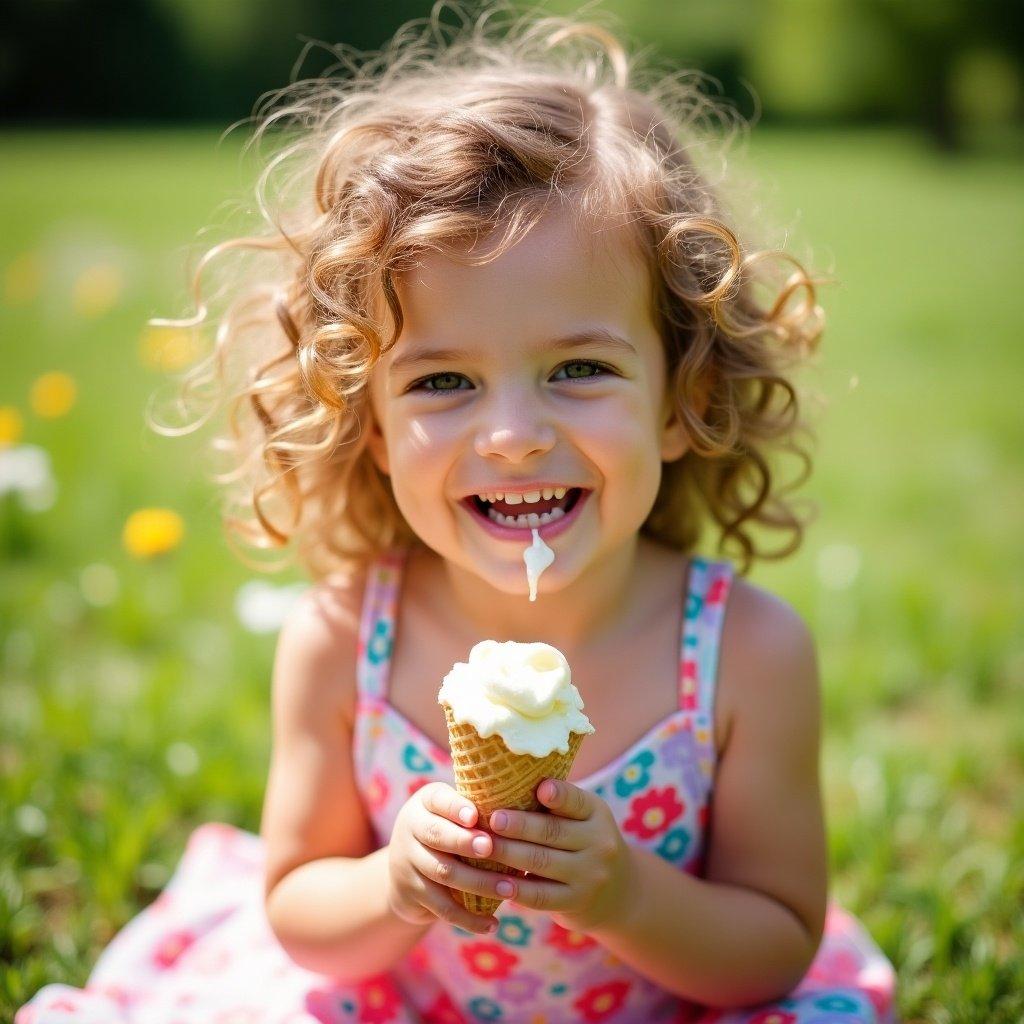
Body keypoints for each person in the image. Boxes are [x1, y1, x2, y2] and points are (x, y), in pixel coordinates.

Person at [18, 6, 899, 1023]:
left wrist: (625, 894)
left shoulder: (745, 652)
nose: (514, 435)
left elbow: (774, 948)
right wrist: (393, 883)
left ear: (682, 399)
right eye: (442, 383)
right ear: (376, 428)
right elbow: (299, 909)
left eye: (578, 368)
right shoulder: (343, 638)